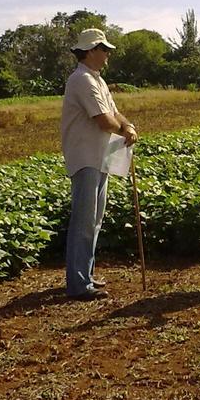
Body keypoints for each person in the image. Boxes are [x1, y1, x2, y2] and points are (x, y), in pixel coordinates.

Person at [60, 28, 139, 301]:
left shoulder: (98, 80)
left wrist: (127, 124)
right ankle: (78, 284)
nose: (107, 54)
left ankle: (86, 275)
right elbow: (104, 120)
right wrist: (125, 131)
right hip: (85, 158)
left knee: (94, 221)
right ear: (91, 50)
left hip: (99, 157)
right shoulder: (81, 79)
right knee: (84, 221)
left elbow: (114, 113)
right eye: (104, 49)